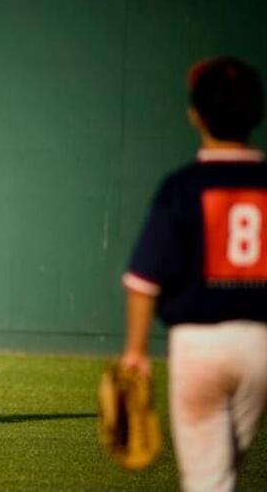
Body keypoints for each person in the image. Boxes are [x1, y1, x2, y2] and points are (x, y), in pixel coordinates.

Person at [120, 57, 267, 492]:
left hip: (198, 345)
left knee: (208, 480)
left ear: (195, 115)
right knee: (229, 473)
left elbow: (143, 281)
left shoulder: (183, 186)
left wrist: (136, 351)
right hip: (260, 344)